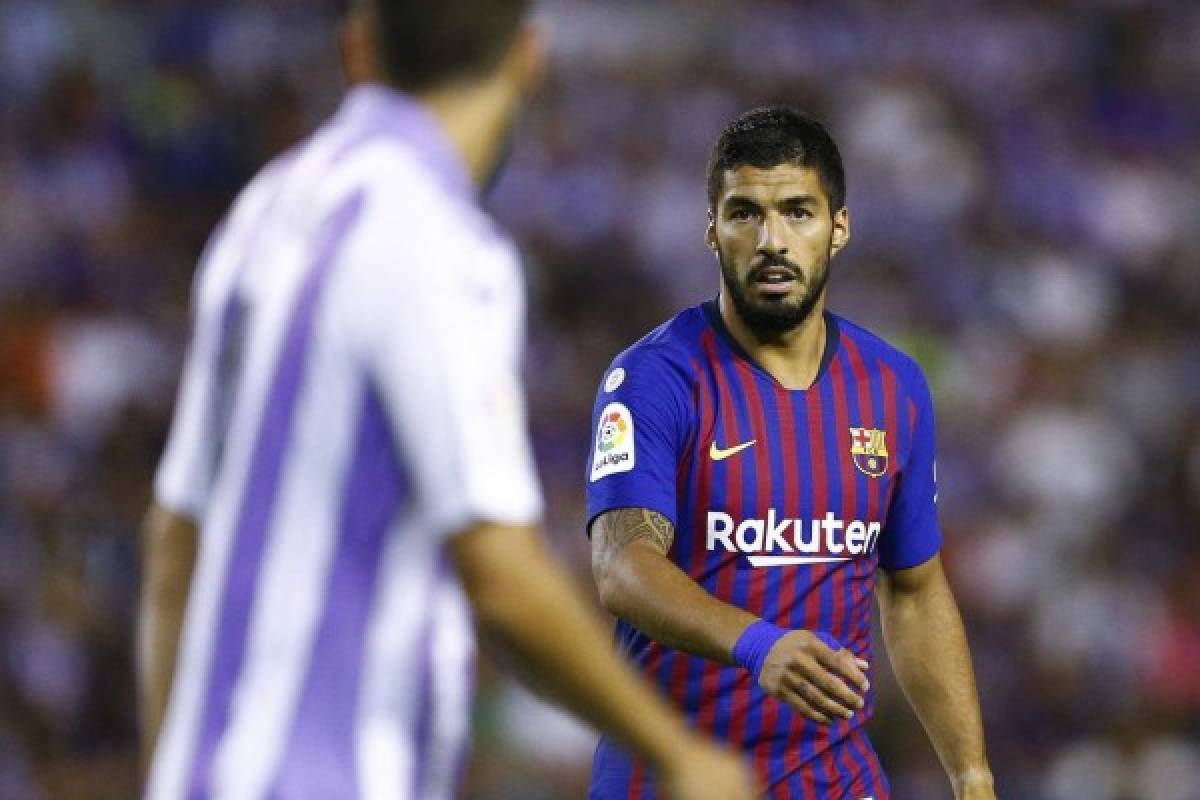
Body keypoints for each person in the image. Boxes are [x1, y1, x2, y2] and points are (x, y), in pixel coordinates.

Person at [137, 2, 758, 798]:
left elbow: (174, 543)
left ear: (359, 46)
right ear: (528, 56)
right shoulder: (439, 242)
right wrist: (675, 752)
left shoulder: (263, 212)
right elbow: (498, 571)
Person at [585, 106, 995, 799]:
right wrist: (758, 644)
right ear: (712, 229)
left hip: (831, 778)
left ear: (840, 226)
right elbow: (623, 567)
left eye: (798, 213)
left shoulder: (893, 386)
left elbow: (915, 592)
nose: (772, 240)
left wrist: (972, 776)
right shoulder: (654, 379)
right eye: (745, 213)